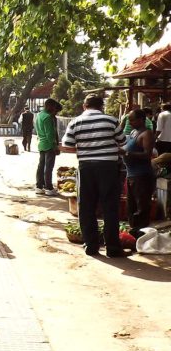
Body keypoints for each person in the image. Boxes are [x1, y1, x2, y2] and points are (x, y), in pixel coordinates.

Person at [61, 95, 127, 258]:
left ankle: (91, 246)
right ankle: (112, 248)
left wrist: (85, 150)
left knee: (86, 207)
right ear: (101, 106)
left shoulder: (75, 122)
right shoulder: (111, 121)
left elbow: (66, 146)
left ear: (85, 106)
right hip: (109, 168)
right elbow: (123, 142)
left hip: (86, 167)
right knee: (110, 207)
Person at [123, 108, 155, 235]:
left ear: (141, 120)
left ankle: (141, 234)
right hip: (131, 175)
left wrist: (126, 152)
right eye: (128, 120)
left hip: (142, 176)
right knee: (131, 206)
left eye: (132, 119)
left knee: (141, 207)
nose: (129, 122)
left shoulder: (147, 134)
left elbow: (147, 154)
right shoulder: (133, 132)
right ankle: (133, 232)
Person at [34, 98, 62, 196]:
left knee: (41, 166)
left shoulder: (39, 115)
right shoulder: (48, 117)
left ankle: (39, 186)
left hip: (41, 143)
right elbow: (50, 134)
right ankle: (48, 187)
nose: (55, 112)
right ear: (50, 106)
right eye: (55, 109)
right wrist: (55, 146)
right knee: (48, 167)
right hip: (49, 145)